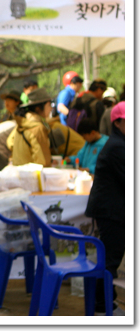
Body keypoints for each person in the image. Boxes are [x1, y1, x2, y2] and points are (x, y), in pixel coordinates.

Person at [85, 101, 125, 315]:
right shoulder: (118, 146)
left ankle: (106, 302)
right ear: (117, 122)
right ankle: (103, 305)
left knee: (110, 256)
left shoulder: (120, 142)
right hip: (111, 211)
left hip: (111, 209)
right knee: (110, 258)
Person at [7, 88, 53, 167]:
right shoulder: (38, 128)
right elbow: (43, 161)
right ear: (38, 108)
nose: (51, 109)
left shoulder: (23, 123)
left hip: (20, 173)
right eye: (49, 105)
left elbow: (10, 142)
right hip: (32, 176)